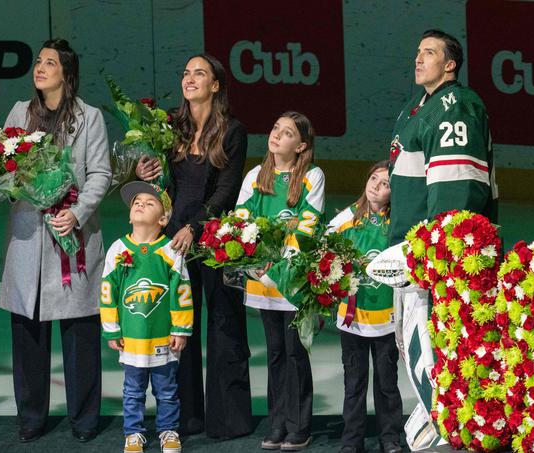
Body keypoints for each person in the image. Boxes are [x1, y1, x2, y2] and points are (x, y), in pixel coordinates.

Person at [387, 29, 498, 450]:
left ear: (450, 64)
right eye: (417, 52)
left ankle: (453, 431)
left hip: (437, 263)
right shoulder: (416, 109)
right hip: (410, 255)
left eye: (429, 53)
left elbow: (456, 196)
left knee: (443, 357)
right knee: (419, 354)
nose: (418, 59)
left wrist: (431, 255)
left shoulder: (455, 106)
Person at [0, 39, 111, 443]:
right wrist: (12, 185)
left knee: (79, 331)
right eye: (38, 61)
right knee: (27, 329)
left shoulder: (89, 117)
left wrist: (76, 212)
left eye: (50, 62)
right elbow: (1, 163)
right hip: (29, 233)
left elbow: (100, 174)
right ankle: (30, 416)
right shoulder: (19, 112)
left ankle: (84, 419)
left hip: (71, 234)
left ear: (67, 72)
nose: (40, 68)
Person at [136, 53, 252, 438]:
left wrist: (195, 226)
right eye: (185, 72)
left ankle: (228, 421)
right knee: (179, 330)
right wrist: (143, 171)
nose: (189, 78)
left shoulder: (232, 130)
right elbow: (161, 180)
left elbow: (227, 189)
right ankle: (183, 418)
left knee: (225, 326)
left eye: (199, 73)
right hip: (174, 241)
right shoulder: (170, 125)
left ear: (215, 85)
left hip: (218, 242)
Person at [234, 112, 325, 451]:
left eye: (287, 133)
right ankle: (277, 424)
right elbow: (241, 222)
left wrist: (280, 268)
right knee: (274, 352)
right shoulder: (256, 175)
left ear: (300, 145)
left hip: (292, 281)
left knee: (295, 353)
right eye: (275, 128)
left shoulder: (312, 176)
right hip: (261, 280)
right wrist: (256, 265)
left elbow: (307, 225)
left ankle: (300, 425)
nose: (276, 135)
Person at [101, 181, 193, 453]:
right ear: (130, 215)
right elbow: (108, 292)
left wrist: (181, 330)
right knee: (132, 390)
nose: (140, 204)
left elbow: (182, 293)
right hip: (132, 337)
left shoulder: (171, 251)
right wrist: (112, 329)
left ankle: (168, 430)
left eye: (149, 202)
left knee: (166, 390)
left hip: (163, 336)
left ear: (164, 218)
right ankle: (133, 433)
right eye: (136, 202)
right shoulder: (118, 250)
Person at [328, 162, 402, 453]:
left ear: (393, 193)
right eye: (374, 179)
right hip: (353, 319)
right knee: (354, 383)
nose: (376, 186)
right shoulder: (344, 220)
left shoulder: (397, 225)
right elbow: (324, 261)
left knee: (387, 384)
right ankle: (352, 440)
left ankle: (390, 437)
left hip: (386, 319)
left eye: (385, 184)